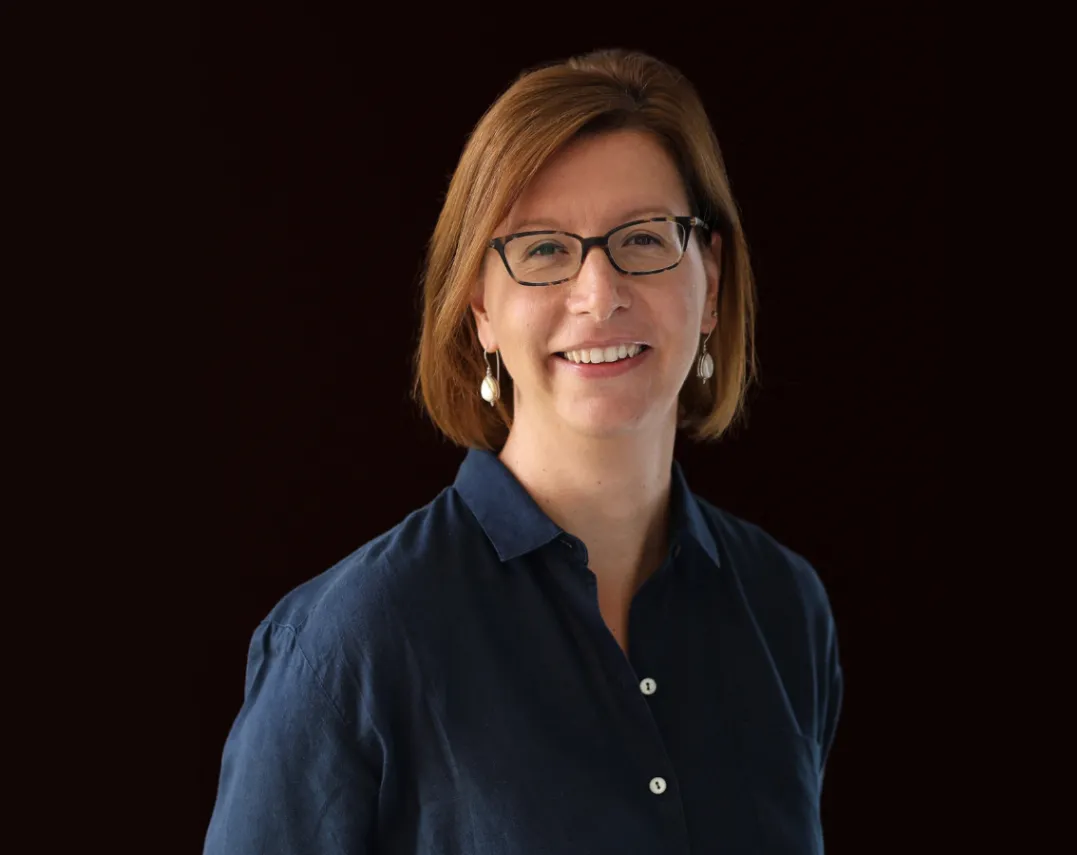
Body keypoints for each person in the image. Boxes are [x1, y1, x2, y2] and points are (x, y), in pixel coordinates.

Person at [204, 47, 842, 855]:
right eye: (543, 249)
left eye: (644, 240)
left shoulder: (785, 608)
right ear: (479, 308)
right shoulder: (352, 646)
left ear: (710, 283)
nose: (600, 292)